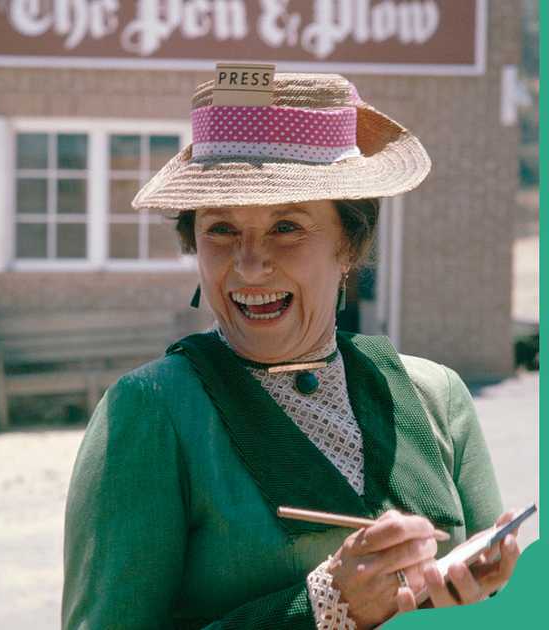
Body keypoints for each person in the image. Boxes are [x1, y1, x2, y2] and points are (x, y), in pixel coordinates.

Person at [61, 70, 524, 629]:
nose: (250, 264)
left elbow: (507, 612)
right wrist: (325, 607)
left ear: (350, 245)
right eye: (221, 230)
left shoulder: (438, 398)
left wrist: (490, 596)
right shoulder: (152, 411)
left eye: (287, 226)